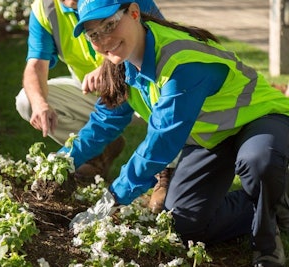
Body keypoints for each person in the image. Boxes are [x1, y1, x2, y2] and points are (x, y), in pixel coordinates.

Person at [66, 0, 289, 266]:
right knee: (184, 227)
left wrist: (113, 196)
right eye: (94, 35)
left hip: (259, 120)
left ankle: (265, 244)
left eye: (110, 24)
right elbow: (104, 123)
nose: (104, 39)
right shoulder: (120, 66)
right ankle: (279, 197)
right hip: (211, 138)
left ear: (134, 13)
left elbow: (162, 142)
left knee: (258, 161)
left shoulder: (180, 61)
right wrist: (63, 161)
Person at [15, 0, 165, 182]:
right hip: (95, 93)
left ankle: (167, 171)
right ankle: (97, 153)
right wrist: (40, 104)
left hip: (139, 84)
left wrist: (111, 66)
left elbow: (156, 39)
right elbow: (35, 64)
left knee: (168, 105)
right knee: (28, 100)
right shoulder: (44, 9)